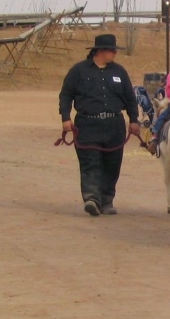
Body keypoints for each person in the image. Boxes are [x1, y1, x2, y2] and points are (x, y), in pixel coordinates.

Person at [59, 34, 140, 216]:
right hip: (87, 125)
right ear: (101, 51)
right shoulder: (78, 71)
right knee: (90, 163)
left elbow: (129, 98)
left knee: (112, 164)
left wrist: (134, 120)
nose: (114, 54)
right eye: (112, 50)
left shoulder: (119, 72)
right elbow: (65, 95)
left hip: (114, 125)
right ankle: (91, 199)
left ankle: (106, 200)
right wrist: (65, 117)